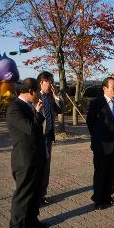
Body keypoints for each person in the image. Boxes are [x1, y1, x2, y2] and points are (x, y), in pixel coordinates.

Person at [6, 78, 49, 228]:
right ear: (31, 91)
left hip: (36, 156)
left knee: (35, 190)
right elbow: (30, 129)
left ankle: (31, 218)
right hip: (24, 159)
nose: (40, 94)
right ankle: (16, 225)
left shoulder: (29, 106)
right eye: (38, 91)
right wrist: (38, 113)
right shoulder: (15, 108)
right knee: (23, 192)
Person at [86, 77, 114, 210]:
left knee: (112, 172)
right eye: (113, 87)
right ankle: (98, 199)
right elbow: (90, 122)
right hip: (101, 144)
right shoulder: (96, 103)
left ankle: (108, 196)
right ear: (105, 88)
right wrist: (97, 137)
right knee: (100, 172)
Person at [37, 71, 62, 206]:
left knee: (46, 167)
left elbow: (61, 110)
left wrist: (57, 96)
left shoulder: (51, 96)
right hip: (37, 138)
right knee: (37, 167)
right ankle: (35, 195)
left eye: (53, 82)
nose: (52, 85)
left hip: (47, 138)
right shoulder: (34, 96)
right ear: (42, 82)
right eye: (50, 82)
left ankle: (42, 194)